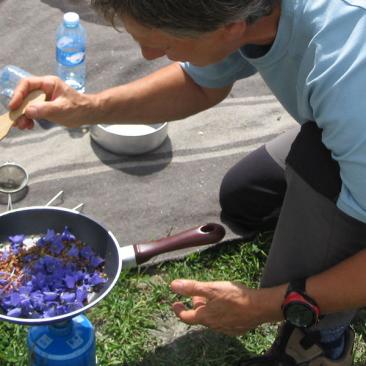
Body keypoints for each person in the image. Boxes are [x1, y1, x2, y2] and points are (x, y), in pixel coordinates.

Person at [9, 0, 366, 364]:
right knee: (246, 196)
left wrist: (261, 305)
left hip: (351, 120)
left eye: (163, 44)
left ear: (230, 28)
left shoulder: (348, 74)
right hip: (341, 127)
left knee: (318, 164)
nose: (148, 55)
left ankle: (321, 343)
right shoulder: (245, 11)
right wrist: (87, 108)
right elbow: (199, 84)